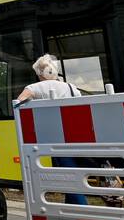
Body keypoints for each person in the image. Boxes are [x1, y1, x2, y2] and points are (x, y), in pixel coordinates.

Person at [15, 54, 92, 207]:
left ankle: (84, 212)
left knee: (68, 177)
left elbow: (18, 103)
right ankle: (72, 208)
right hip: (75, 137)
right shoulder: (71, 87)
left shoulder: (34, 87)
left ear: (39, 73)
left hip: (54, 139)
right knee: (72, 173)